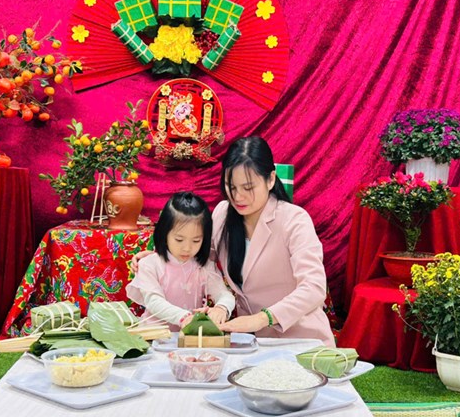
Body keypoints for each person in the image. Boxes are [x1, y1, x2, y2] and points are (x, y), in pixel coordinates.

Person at [133, 137, 335, 346]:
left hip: (301, 338)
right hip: (252, 342)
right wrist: (161, 257)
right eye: (232, 187)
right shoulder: (222, 214)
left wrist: (261, 319)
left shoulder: (294, 220)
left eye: (248, 187)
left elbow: (314, 287)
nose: (238, 197)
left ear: (270, 179)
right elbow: (199, 256)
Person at [126, 191, 235, 331]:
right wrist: (183, 317)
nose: (187, 248)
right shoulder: (149, 264)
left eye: (196, 240)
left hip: (187, 338)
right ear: (164, 233)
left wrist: (221, 308)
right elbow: (154, 301)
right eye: (179, 240)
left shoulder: (203, 266)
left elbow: (223, 294)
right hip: (154, 335)